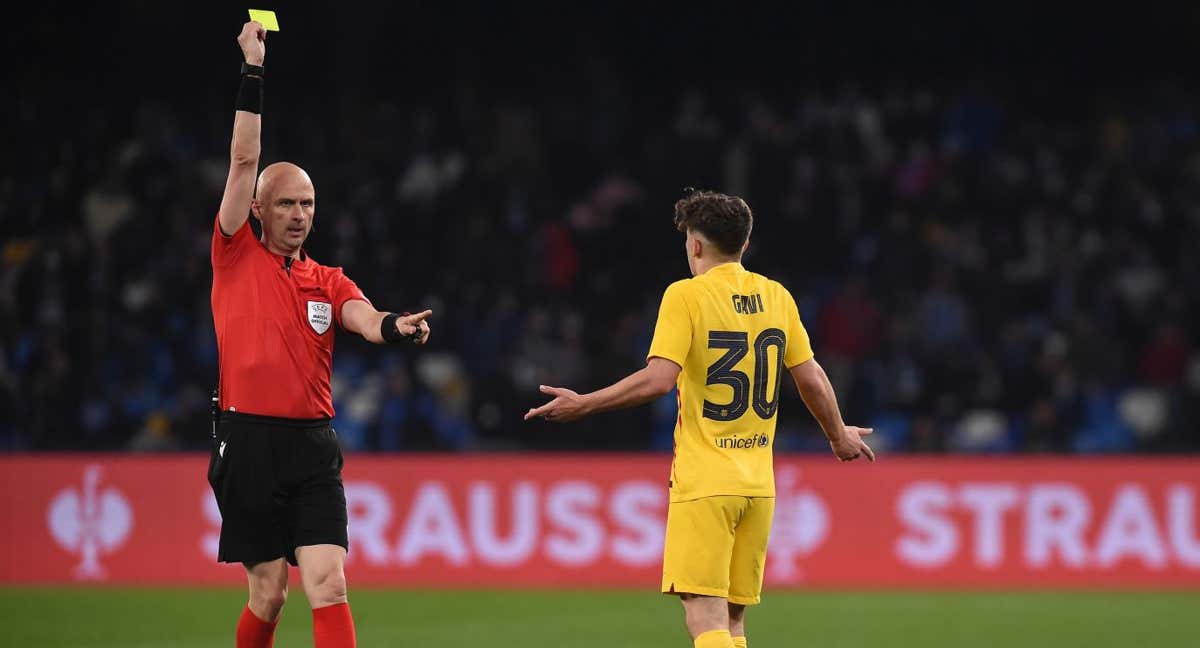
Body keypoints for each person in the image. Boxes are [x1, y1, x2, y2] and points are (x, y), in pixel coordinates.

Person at [525, 189, 874, 648]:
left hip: (706, 480)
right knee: (732, 621)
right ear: (744, 245)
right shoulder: (777, 296)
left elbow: (658, 380)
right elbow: (810, 377)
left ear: (694, 244)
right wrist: (838, 435)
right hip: (758, 486)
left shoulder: (685, 296)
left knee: (702, 614)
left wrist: (584, 403)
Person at [208, 21, 433, 648]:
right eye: (287, 204)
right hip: (247, 440)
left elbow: (362, 317)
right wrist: (253, 69)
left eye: (307, 204)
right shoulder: (233, 253)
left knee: (329, 583)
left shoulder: (327, 279)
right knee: (270, 592)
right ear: (258, 210)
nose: (300, 214)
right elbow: (244, 160)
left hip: (312, 445)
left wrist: (392, 325)